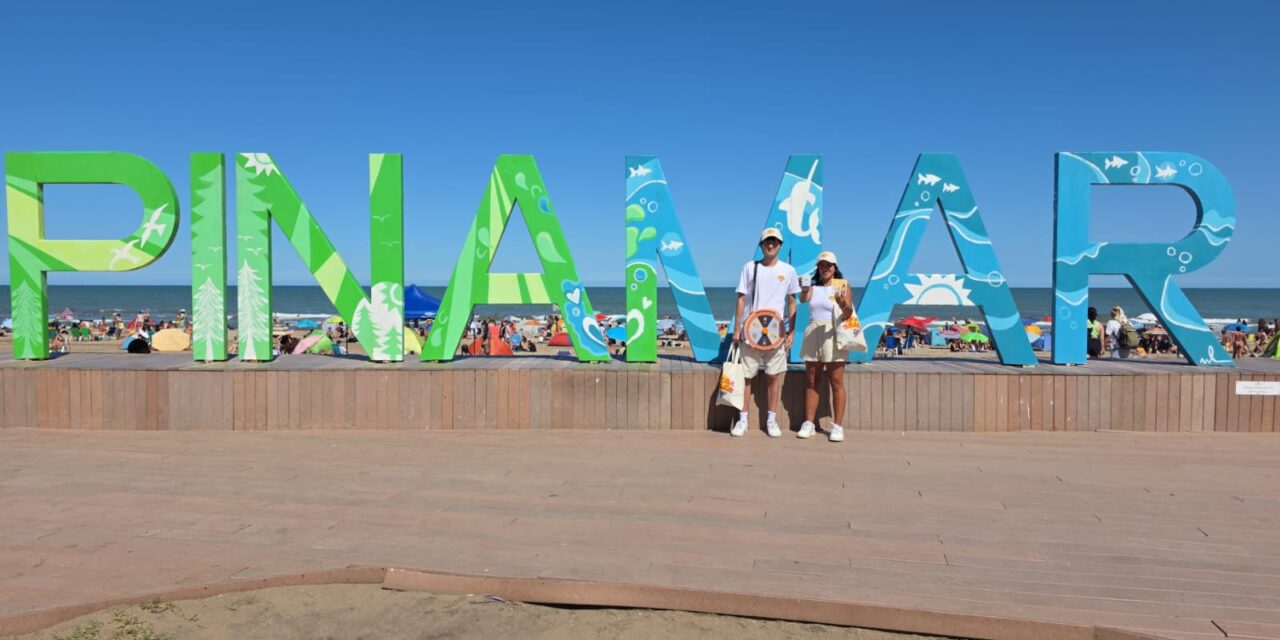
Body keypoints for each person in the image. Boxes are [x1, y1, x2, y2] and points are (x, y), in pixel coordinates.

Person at [730, 228, 799, 438]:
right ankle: (742, 420)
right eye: (767, 242)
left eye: (775, 242)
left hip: (776, 335)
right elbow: (741, 298)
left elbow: (792, 302)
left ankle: (771, 420)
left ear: (780, 245)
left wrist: (792, 331)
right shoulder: (750, 268)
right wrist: (737, 328)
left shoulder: (788, 271)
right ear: (761, 245)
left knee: (773, 378)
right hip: (750, 333)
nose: (771, 245)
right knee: (746, 378)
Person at [797, 251, 852, 443]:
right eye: (822, 265)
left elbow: (848, 313)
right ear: (818, 268)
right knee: (812, 380)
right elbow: (803, 299)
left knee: (836, 381)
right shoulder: (813, 287)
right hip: (814, 331)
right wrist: (803, 289)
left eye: (829, 265)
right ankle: (809, 423)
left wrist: (843, 303)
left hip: (834, 333)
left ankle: (837, 426)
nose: (825, 268)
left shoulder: (842, 286)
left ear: (835, 267)